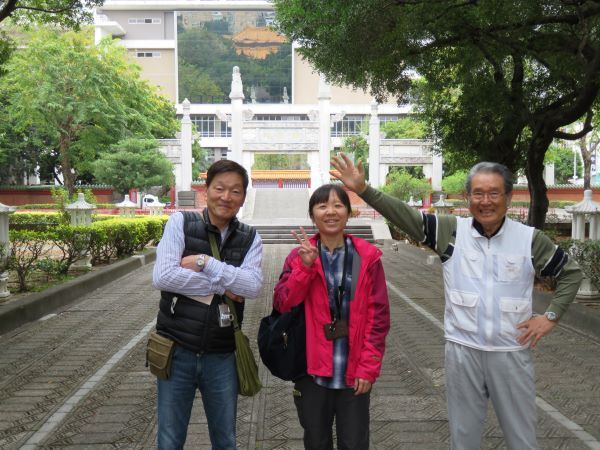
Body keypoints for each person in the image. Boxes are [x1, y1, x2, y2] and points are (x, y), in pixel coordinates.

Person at [331, 154, 582, 450]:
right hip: (463, 352)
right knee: (463, 439)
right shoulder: (451, 231)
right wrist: (364, 190)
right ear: (467, 197)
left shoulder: (529, 239)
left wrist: (550, 317)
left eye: (493, 193)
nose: (485, 201)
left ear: (508, 197)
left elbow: (570, 273)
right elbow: (406, 216)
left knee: (522, 439)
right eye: (478, 193)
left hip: (511, 353)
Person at [152, 159, 263, 450]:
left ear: (244, 197)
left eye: (235, 191)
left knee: (225, 440)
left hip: (222, 353)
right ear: (206, 189)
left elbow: (252, 287)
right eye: (220, 188)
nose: (226, 197)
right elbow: (164, 277)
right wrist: (224, 285)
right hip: (177, 350)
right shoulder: (180, 223)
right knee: (169, 440)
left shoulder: (250, 238)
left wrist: (206, 263)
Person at [273, 184, 390, 450]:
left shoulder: (364, 257)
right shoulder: (299, 256)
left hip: (354, 371)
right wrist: (304, 268)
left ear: (348, 213)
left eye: (338, 205)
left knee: (354, 443)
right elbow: (282, 303)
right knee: (316, 442)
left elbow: (378, 317)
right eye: (322, 206)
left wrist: (368, 367)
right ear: (312, 215)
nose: (330, 212)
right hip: (312, 372)